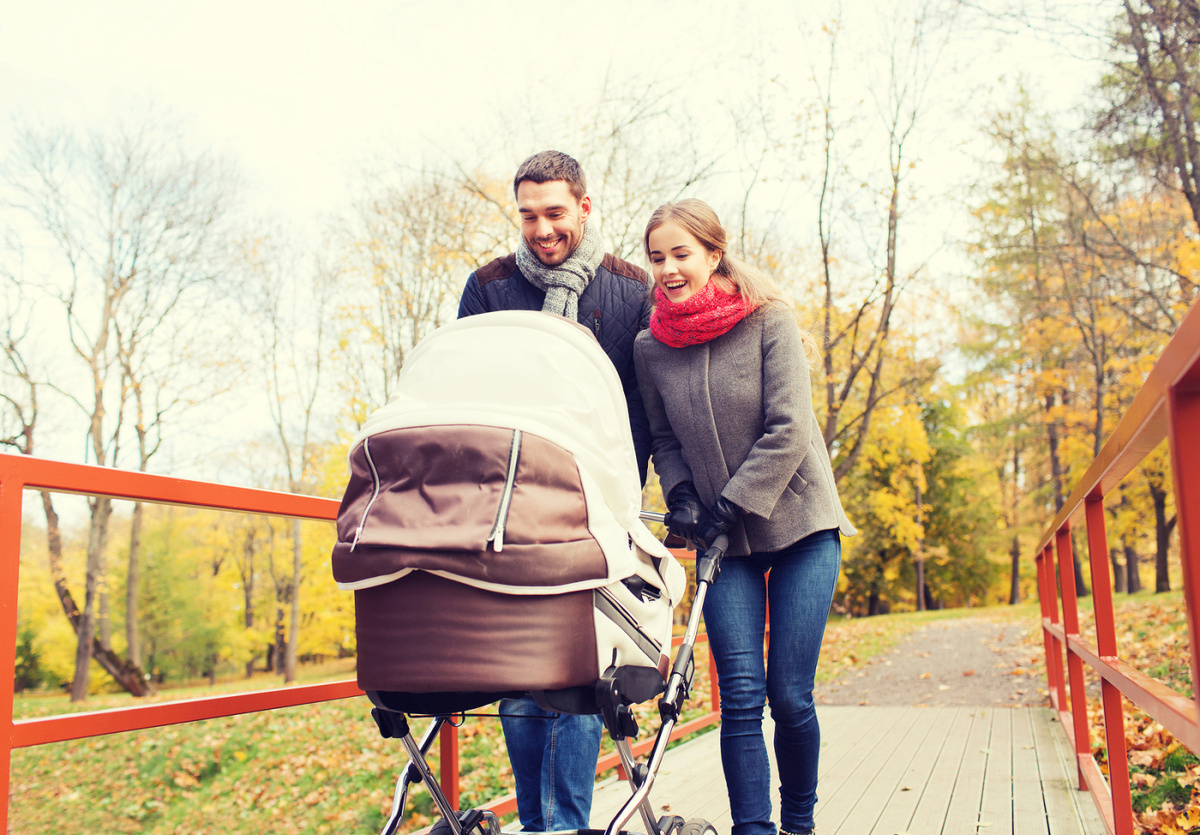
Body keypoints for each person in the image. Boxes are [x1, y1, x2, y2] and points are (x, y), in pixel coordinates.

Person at [633, 199, 857, 835]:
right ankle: (751, 830)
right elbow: (665, 438)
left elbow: (791, 430)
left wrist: (730, 501)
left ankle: (799, 824)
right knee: (739, 698)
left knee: (789, 696)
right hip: (721, 543)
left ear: (713, 252)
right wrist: (681, 497)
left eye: (682, 254)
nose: (670, 269)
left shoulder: (769, 322)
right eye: (658, 258)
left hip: (801, 527)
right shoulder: (652, 346)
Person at [457, 150, 653, 832]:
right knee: (519, 676)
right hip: (509, 505)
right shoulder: (489, 287)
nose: (541, 229)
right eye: (529, 215)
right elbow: (468, 392)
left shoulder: (631, 290)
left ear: (585, 208)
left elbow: (646, 404)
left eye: (555, 214)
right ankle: (538, 824)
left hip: (599, 501)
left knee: (582, 668)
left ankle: (567, 822)